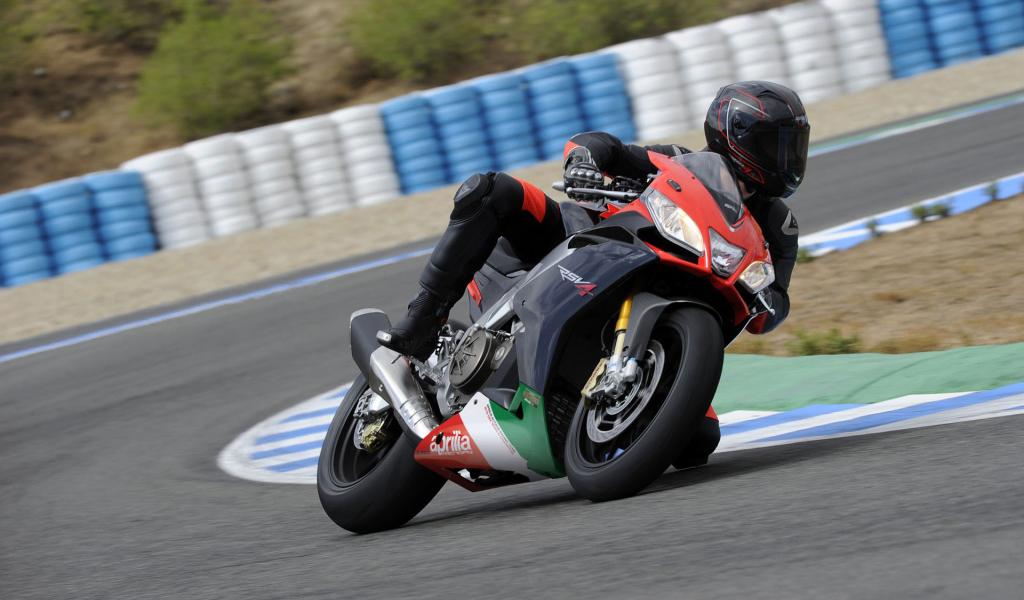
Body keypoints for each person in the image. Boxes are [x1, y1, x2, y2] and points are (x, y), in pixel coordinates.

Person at [377, 80, 808, 466]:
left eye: (793, 146)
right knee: (493, 190)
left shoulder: (779, 227)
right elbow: (608, 148)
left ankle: (586, 412)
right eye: (777, 145)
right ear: (737, 136)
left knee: (698, 439)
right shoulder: (680, 162)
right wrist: (584, 160)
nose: (787, 158)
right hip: (582, 241)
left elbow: (776, 300)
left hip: (672, 307)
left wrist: (768, 299)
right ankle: (423, 317)